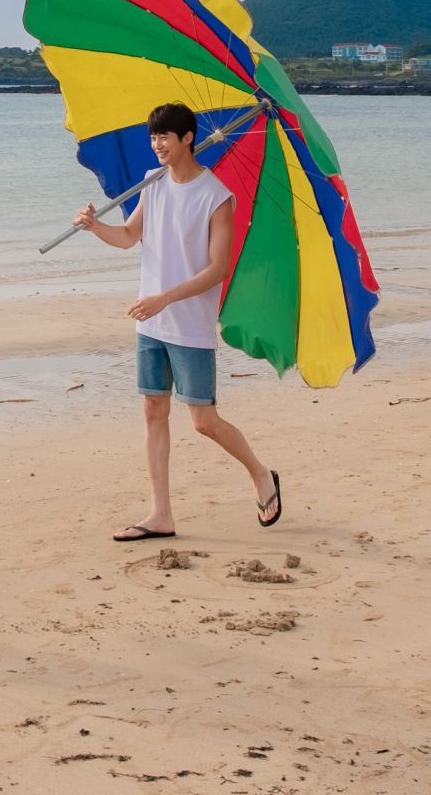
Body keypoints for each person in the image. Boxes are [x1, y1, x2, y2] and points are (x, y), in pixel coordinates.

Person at [73, 103, 281, 541]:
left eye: (165, 136)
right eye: (153, 138)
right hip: (150, 322)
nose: (158, 144)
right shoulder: (152, 185)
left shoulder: (216, 196)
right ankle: (160, 514)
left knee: (203, 421)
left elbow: (216, 269)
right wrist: (96, 226)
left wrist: (165, 298)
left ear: (188, 137)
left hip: (187, 323)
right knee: (153, 411)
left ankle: (261, 474)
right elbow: (129, 237)